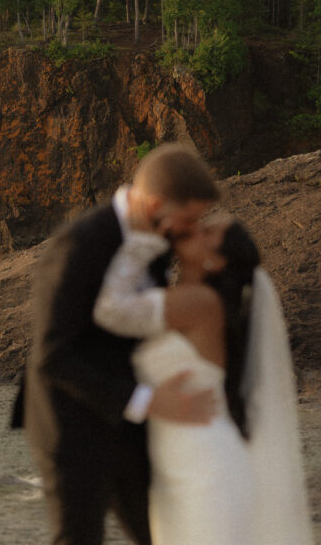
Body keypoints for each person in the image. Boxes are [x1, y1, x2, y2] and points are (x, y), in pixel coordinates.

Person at [21, 143, 221, 545]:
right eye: (187, 219)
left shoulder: (159, 241)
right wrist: (149, 401)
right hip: (69, 423)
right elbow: (51, 357)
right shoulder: (79, 245)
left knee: (162, 535)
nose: (190, 230)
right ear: (155, 206)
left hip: (131, 423)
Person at [93, 215, 314, 545]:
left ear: (216, 260)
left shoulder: (200, 304)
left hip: (202, 464)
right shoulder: (188, 298)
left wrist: (141, 233)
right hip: (181, 459)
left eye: (207, 231)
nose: (194, 227)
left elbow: (108, 310)